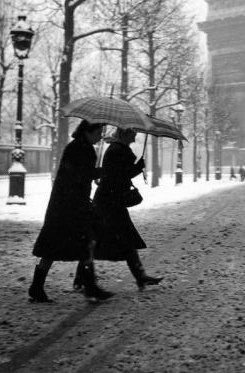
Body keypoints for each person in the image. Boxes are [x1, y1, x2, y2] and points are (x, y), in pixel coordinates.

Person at [29, 120, 114, 304]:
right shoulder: (79, 149)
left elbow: (80, 175)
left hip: (67, 205)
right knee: (65, 246)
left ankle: (41, 286)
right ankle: (41, 287)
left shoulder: (79, 147)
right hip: (69, 207)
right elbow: (78, 176)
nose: (100, 136)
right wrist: (98, 172)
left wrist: (95, 173)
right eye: (99, 131)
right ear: (88, 131)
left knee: (79, 244)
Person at [92, 127, 163, 290]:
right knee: (100, 241)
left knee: (117, 240)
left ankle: (140, 277)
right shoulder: (118, 150)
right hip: (109, 203)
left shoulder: (118, 149)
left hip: (109, 202)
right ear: (124, 134)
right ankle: (83, 278)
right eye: (132, 132)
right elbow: (117, 176)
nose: (136, 134)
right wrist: (137, 167)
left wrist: (135, 167)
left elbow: (118, 175)